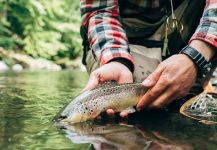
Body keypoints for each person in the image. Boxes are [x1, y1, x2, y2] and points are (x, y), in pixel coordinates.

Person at [79, 0, 217, 117]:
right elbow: (99, 11)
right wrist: (117, 60)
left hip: (197, 29)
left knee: (189, 108)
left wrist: (195, 57)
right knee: (125, 112)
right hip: (125, 39)